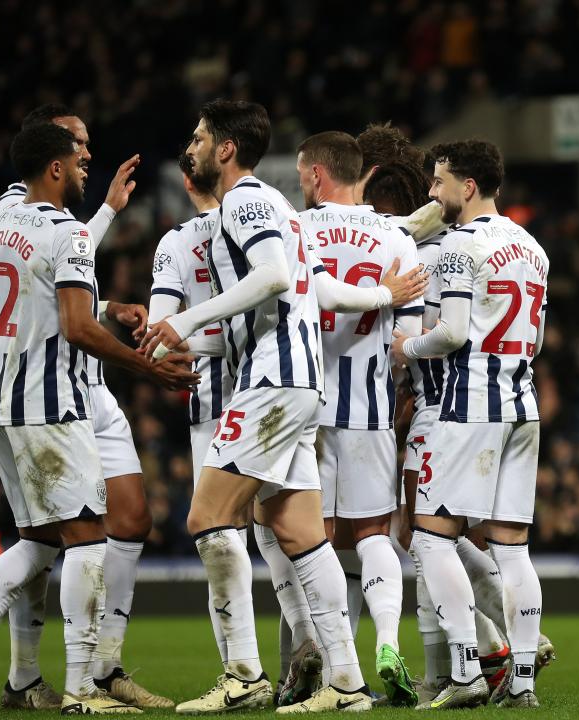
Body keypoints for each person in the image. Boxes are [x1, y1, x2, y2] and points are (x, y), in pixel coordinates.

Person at [143, 100, 425, 714]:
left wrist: (184, 320)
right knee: (298, 532)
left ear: (225, 149)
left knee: (208, 518)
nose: (190, 149)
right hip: (301, 383)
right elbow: (317, 288)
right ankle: (347, 684)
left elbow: (271, 278)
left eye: (199, 138)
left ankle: (243, 675)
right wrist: (381, 294)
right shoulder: (279, 207)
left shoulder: (243, 201)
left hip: (270, 380)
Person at [0, 122, 198, 716]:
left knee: (39, 541)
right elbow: (76, 327)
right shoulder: (68, 231)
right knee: (88, 538)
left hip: (3, 405)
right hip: (53, 405)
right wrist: (149, 368)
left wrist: (30, 334)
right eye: (78, 158)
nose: (84, 165)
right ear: (55, 167)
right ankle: (82, 689)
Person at [0, 104, 175, 711]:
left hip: (90, 385)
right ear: (49, 152)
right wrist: (108, 215)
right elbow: (50, 287)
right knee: (50, 538)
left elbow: (62, 284)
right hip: (52, 388)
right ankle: (31, 674)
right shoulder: (13, 207)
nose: (88, 154)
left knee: (131, 518)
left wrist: (110, 307)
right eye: (77, 144)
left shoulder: (62, 219)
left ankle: (104, 667)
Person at [392, 139, 549, 709]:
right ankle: (522, 681)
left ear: (469, 186)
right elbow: (535, 338)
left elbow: (453, 333)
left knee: (430, 537)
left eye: (439, 182)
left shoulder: (459, 245)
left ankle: (465, 672)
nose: (433, 193)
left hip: (469, 406)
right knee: (513, 550)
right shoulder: (532, 247)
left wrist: (408, 347)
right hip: (522, 405)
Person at [294, 132, 423, 707]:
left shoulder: (297, 230)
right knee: (374, 534)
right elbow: (407, 341)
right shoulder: (397, 240)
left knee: (313, 539)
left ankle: (331, 667)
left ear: (317, 175)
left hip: (306, 410)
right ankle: (389, 643)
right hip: (371, 408)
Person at [148, 151, 238, 669]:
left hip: (212, 401)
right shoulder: (267, 222)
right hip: (274, 388)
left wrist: (193, 337)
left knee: (217, 533)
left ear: (186, 181)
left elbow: (160, 338)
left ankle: (238, 670)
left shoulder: (176, 243)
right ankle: (309, 661)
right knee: (286, 536)